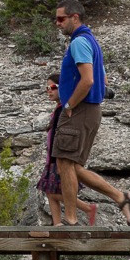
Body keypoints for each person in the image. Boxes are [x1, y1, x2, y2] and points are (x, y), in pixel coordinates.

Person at [51, 0, 130, 226]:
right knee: (72, 165)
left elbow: (88, 80)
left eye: (61, 19)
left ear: (75, 17)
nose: (57, 23)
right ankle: (121, 197)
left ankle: (70, 219)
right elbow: (102, 77)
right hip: (91, 110)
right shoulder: (92, 41)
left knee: (64, 161)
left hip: (79, 109)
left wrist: (69, 105)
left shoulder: (78, 42)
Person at [37, 74, 95, 225]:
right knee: (50, 192)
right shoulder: (58, 109)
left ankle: (87, 208)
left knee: (56, 193)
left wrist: (58, 162)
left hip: (59, 158)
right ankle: (57, 224)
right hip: (53, 158)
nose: (49, 91)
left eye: (53, 88)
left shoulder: (65, 109)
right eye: (47, 88)